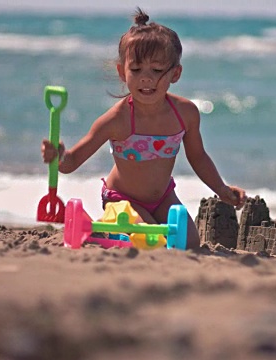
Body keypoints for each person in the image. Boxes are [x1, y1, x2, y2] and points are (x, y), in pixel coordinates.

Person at [41, 8, 246, 250]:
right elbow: (72, 162)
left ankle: (116, 232)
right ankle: (107, 224)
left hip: (163, 198)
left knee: (190, 244)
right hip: (123, 200)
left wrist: (221, 189)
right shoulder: (117, 119)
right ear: (122, 72)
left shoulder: (185, 113)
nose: (146, 78)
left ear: (176, 73)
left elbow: (198, 157)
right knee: (153, 243)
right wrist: (59, 156)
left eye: (157, 71)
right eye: (136, 70)